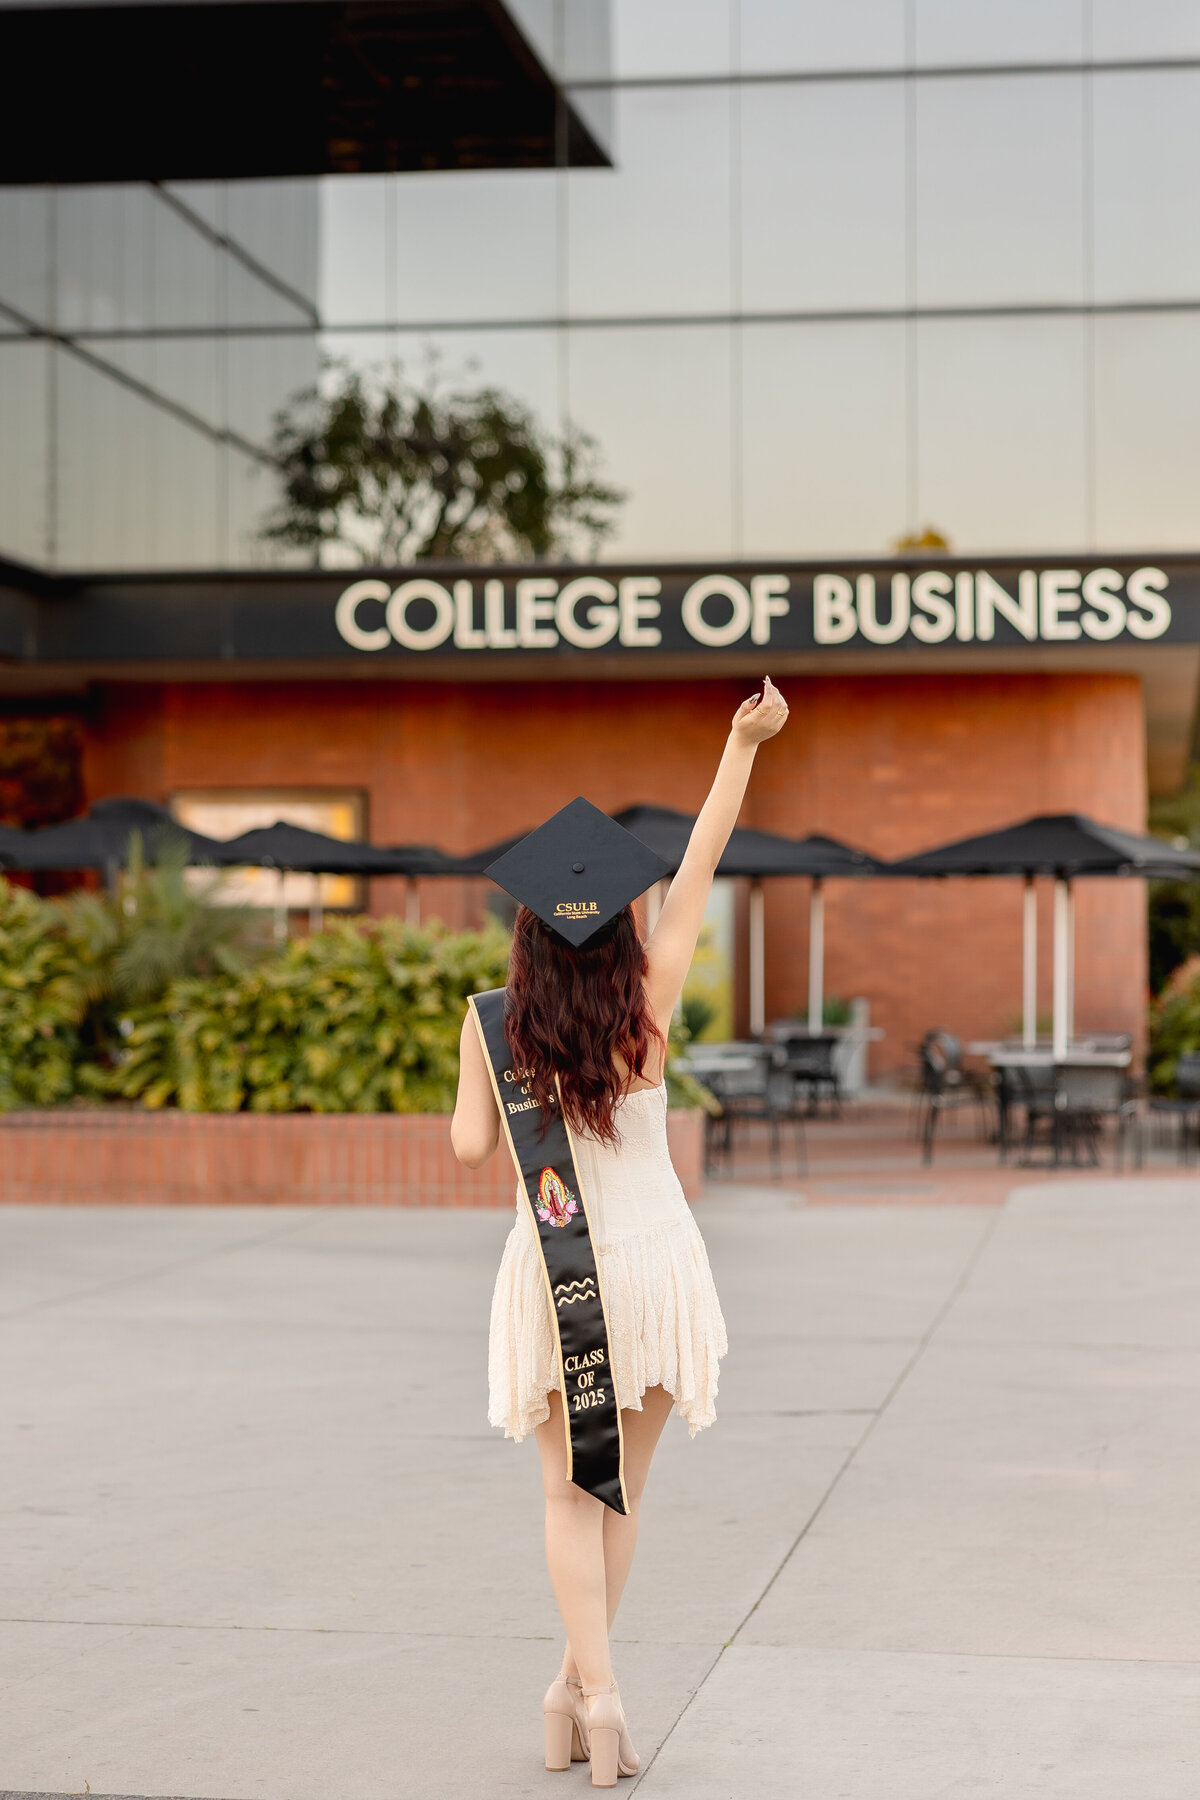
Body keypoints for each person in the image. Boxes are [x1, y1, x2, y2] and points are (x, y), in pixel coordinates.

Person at [450, 677, 789, 1786]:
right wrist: (742, 745)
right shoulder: (650, 1002)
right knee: (617, 1494)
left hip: (560, 1274)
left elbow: (470, 1148)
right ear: (617, 928)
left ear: (527, 934)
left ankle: (593, 1696)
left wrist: (486, 1084)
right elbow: (700, 862)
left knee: (565, 1494)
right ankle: (576, 1692)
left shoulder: (493, 1026)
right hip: (654, 1266)